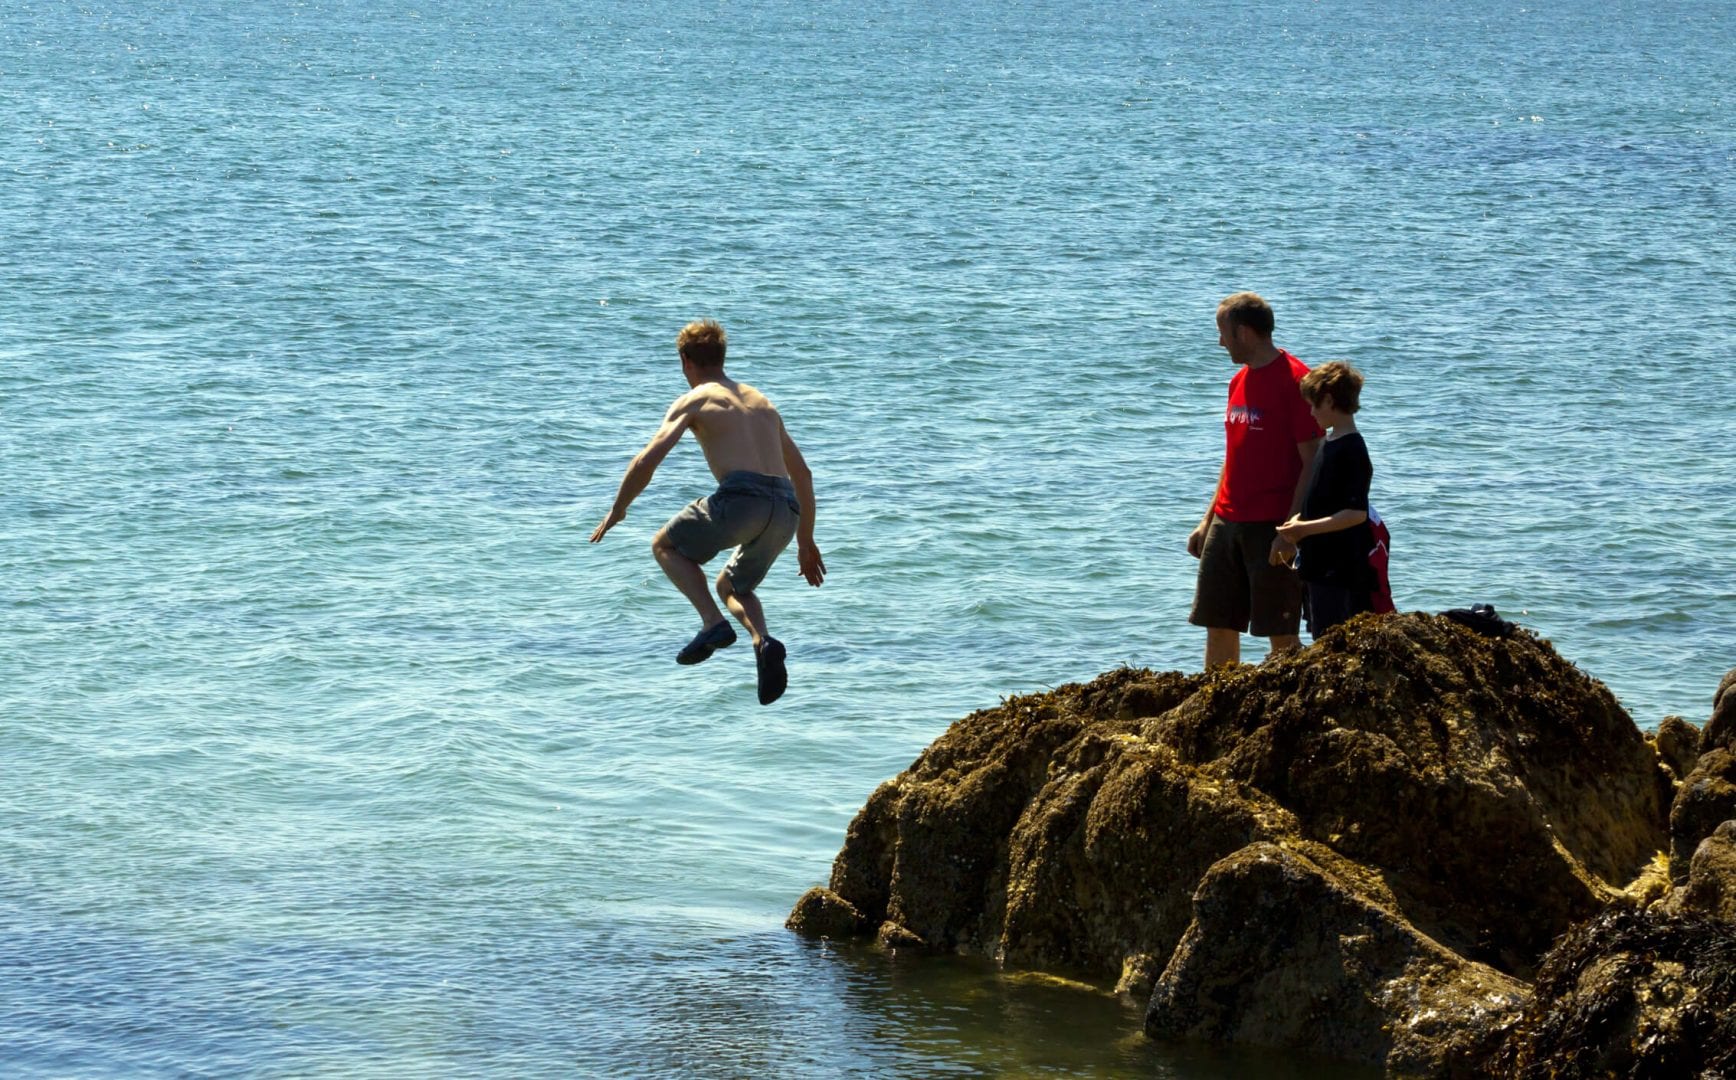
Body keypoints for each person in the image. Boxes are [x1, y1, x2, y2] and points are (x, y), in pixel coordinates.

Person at [590, 320, 825, 705]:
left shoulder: (696, 398)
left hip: (743, 499)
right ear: (722, 357)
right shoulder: (762, 402)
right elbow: (803, 474)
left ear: (685, 361)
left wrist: (618, 509)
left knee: (664, 546)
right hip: (786, 508)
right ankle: (763, 642)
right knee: (732, 586)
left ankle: (712, 623)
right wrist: (805, 541)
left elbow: (648, 459)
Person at [1186, 292, 1323, 668]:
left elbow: (1313, 460)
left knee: (1280, 631)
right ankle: (1217, 696)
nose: (1220, 342)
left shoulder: (1296, 380)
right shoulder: (1238, 382)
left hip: (1272, 525)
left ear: (1243, 332)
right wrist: (1207, 520)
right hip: (1227, 521)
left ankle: (1292, 697)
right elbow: (1233, 457)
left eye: (1223, 332)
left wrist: (1292, 530)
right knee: (1217, 623)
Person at [1278, 361, 1376, 640]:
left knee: (1335, 639)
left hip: (1340, 568)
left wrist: (1305, 529)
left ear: (1330, 401)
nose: (1311, 412)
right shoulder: (1327, 442)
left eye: (1314, 405)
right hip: (1318, 565)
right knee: (1319, 633)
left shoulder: (1353, 448)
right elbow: (1321, 498)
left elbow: (1356, 513)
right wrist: (1299, 520)